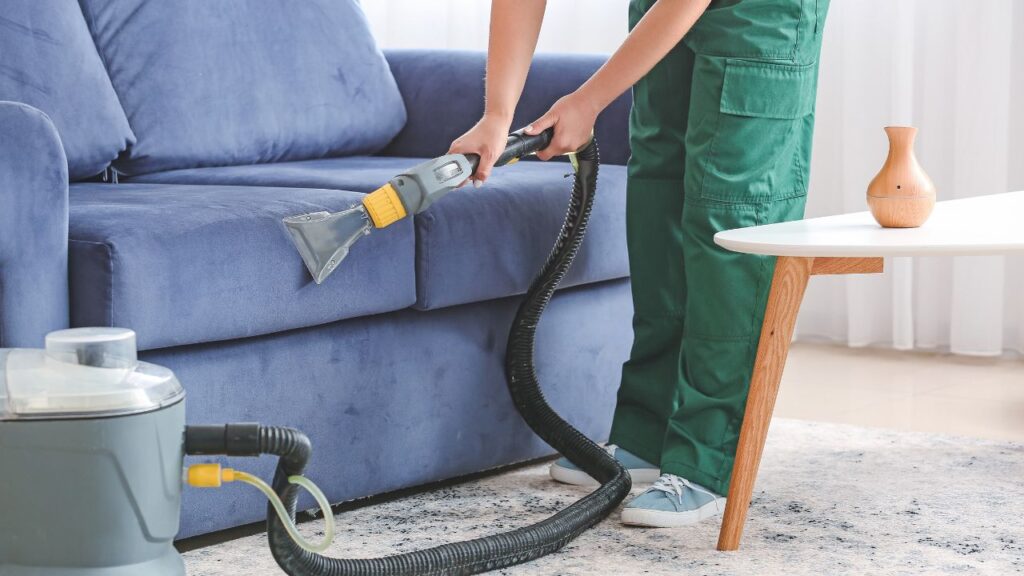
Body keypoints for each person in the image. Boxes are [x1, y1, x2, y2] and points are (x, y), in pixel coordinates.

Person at [449, 0, 830, 528]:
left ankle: (708, 457)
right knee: (658, 205)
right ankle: (647, 433)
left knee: (728, 217)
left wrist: (589, 100)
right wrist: (497, 114)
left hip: (762, 14)